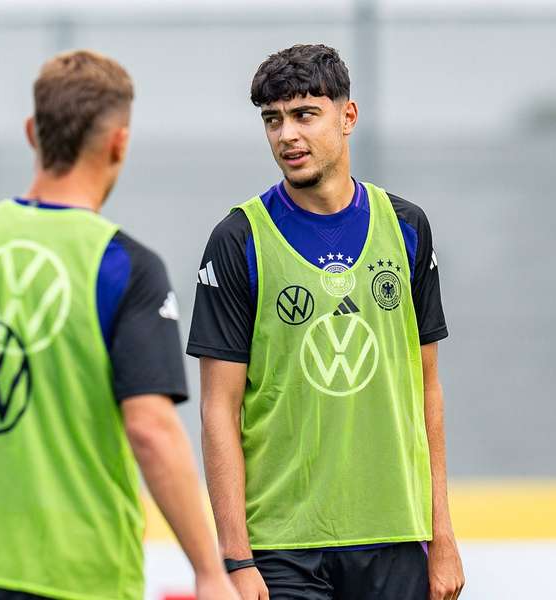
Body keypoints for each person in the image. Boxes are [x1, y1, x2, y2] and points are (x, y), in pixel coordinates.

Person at [0, 50, 237, 600]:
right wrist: (209, 570)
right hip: (79, 576)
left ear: (33, 132)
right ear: (119, 142)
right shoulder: (124, 265)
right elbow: (150, 429)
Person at [187, 44, 465, 600]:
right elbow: (219, 410)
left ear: (348, 117)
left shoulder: (407, 229)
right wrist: (235, 559)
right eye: (273, 120)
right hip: (282, 549)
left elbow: (426, 390)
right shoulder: (239, 239)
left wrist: (443, 537)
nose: (287, 135)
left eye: (304, 115)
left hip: (395, 538)